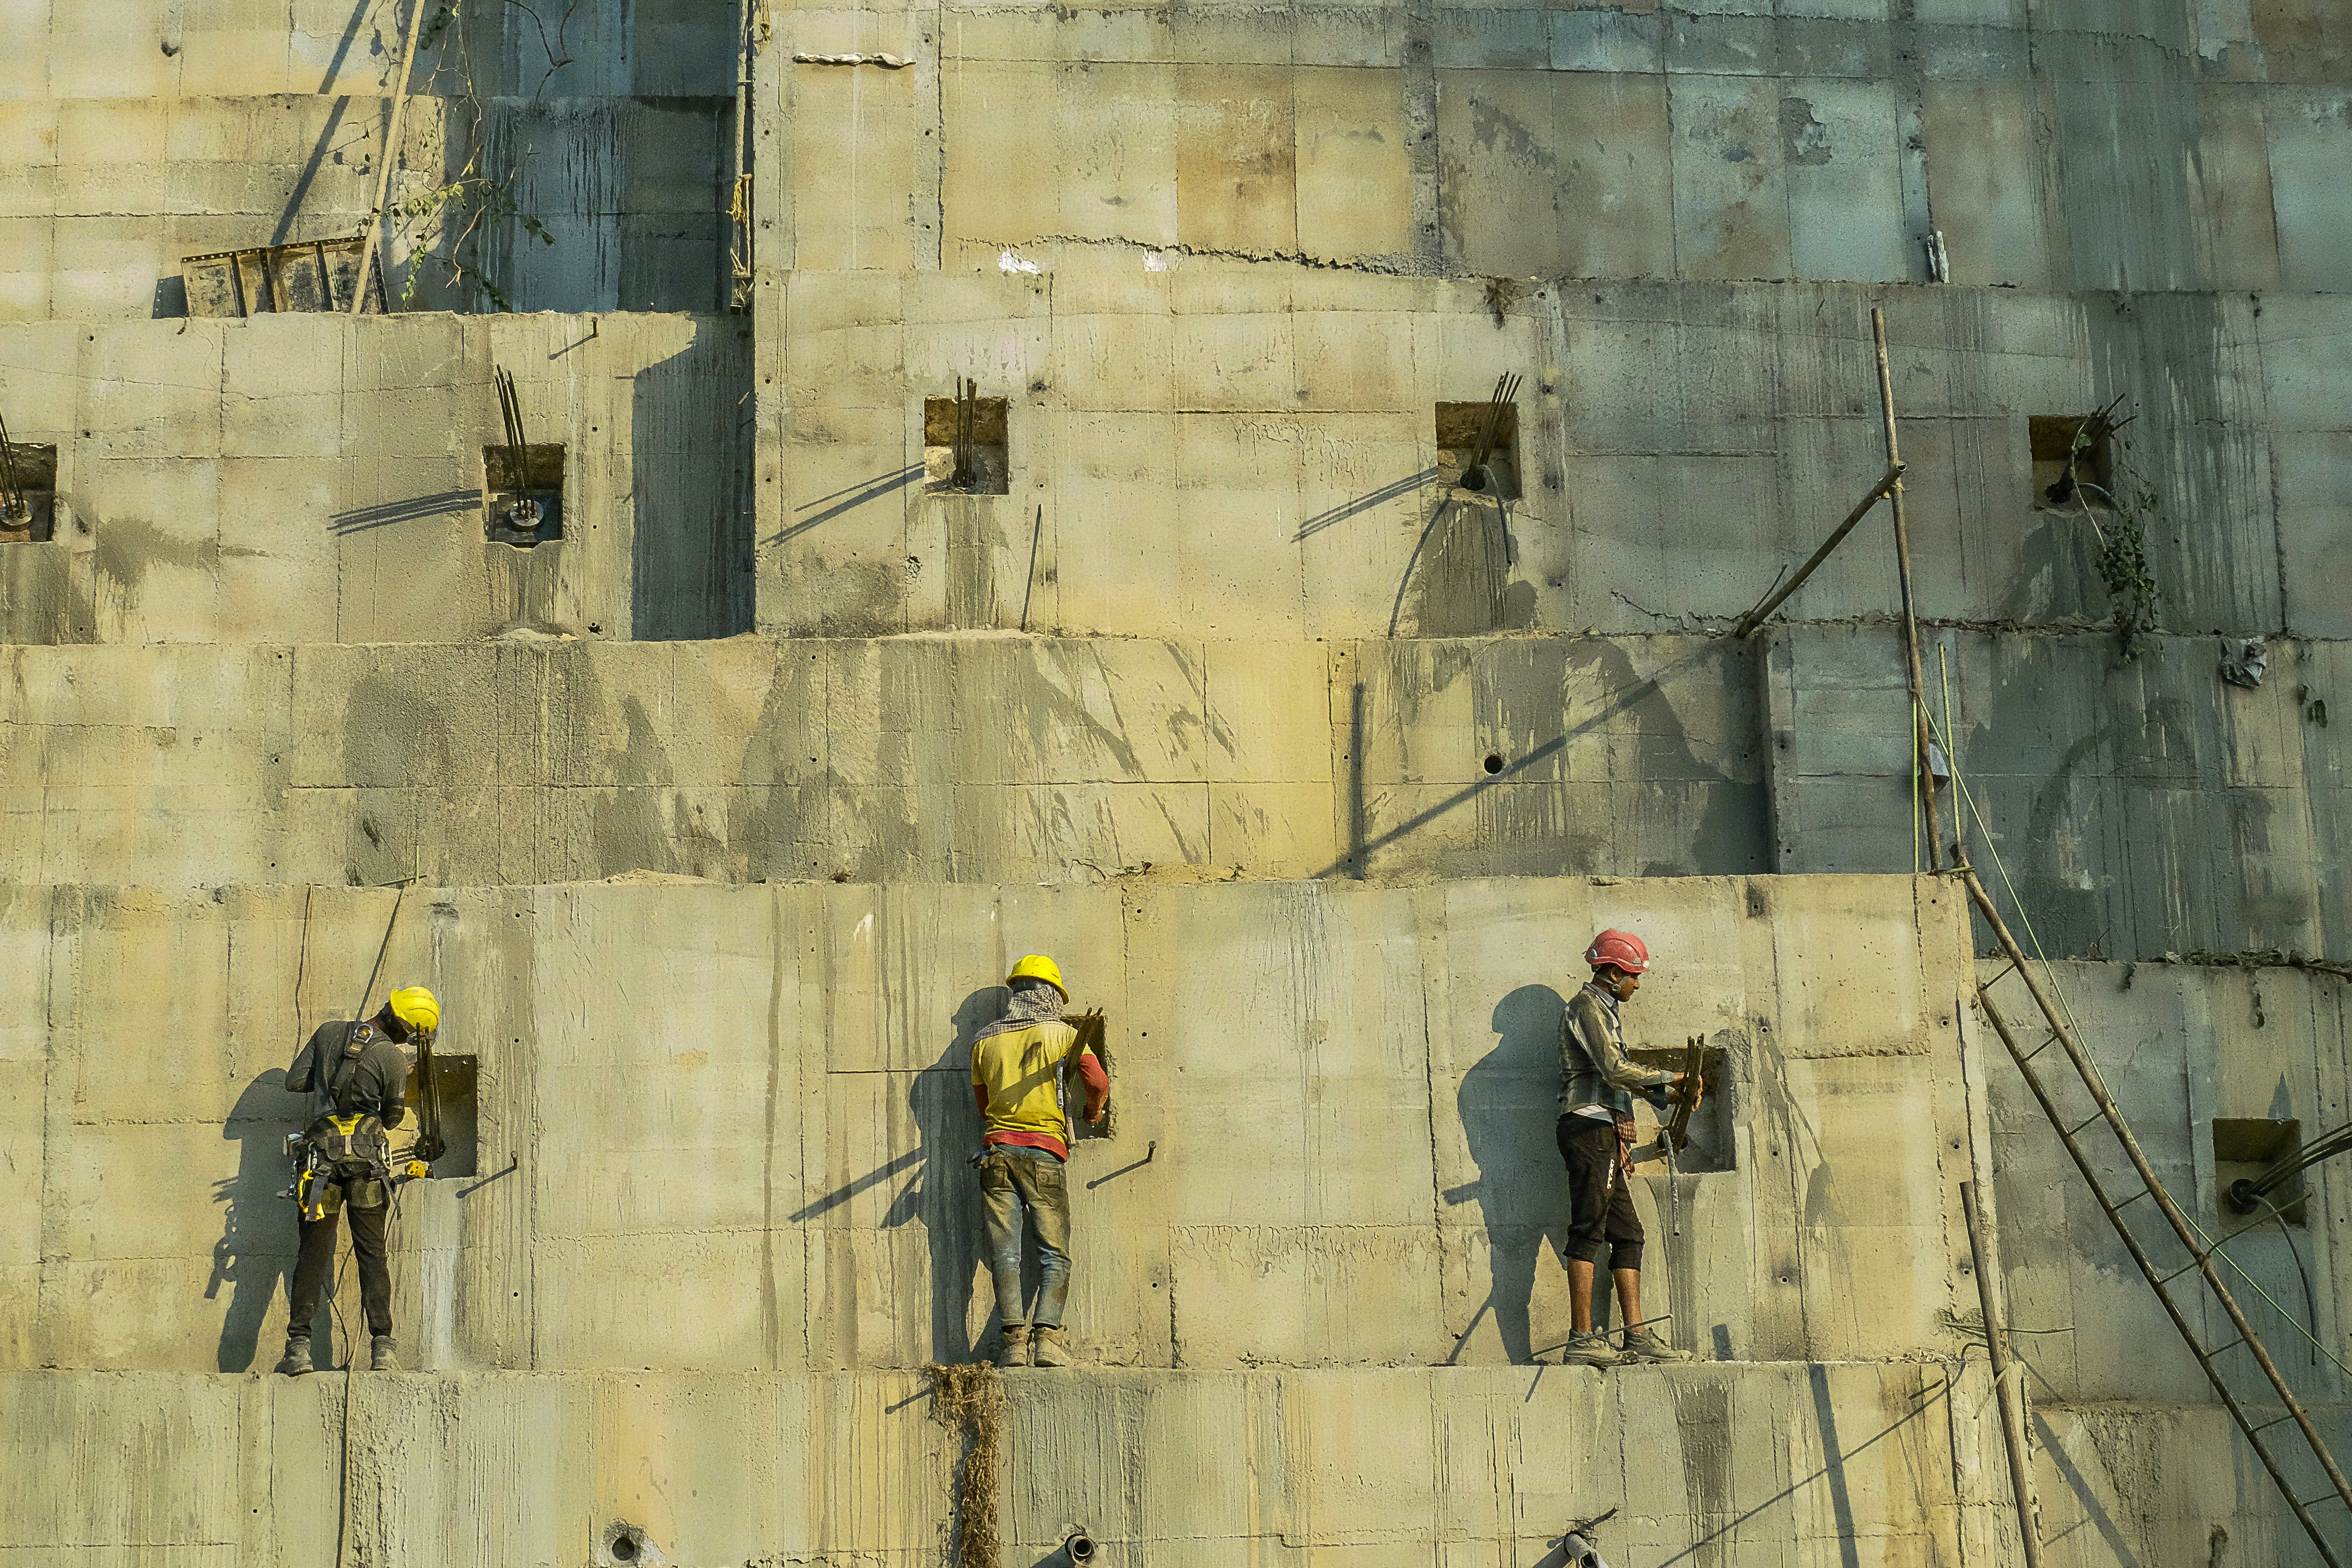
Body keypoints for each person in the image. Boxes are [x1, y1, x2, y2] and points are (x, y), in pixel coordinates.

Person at [272, 986, 440, 1375]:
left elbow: (295, 1082)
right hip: (367, 1167)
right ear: (404, 1029)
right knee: (372, 1254)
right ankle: (383, 1349)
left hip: (321, 1166)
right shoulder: (392, 1057)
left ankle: (298, 1349)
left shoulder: (328, 1032)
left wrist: (328, 1078)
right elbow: (392, 1118)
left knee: (312, 1254)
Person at [1557, 931, 1692, 1368]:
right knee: (1588, 1230)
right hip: (1587, 1129)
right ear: (1613, 973)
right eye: (1634, 976)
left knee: (1629, 1234)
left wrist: (1671, 1095)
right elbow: (1615, 1069)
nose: (1637, 984)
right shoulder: (1587, 1006)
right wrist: (1672, 1078)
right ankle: (1581, 1339)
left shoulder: (1605, 1010)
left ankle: (1636, 1335)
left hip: (1604, 1130)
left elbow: (1616, 1078)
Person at [971, 955, 1107, 1369]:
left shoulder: (983, 1040)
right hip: (1044, 1153)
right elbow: (1097, 1082)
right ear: (1052, 995)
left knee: (1005, 1255)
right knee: (1054, 1254)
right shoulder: (1064, 1034)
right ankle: (1047, 1341)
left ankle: (1014, 1345)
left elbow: (983, 1105)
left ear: (1015, 993)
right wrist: (1092, 1112)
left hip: (996, 1155)